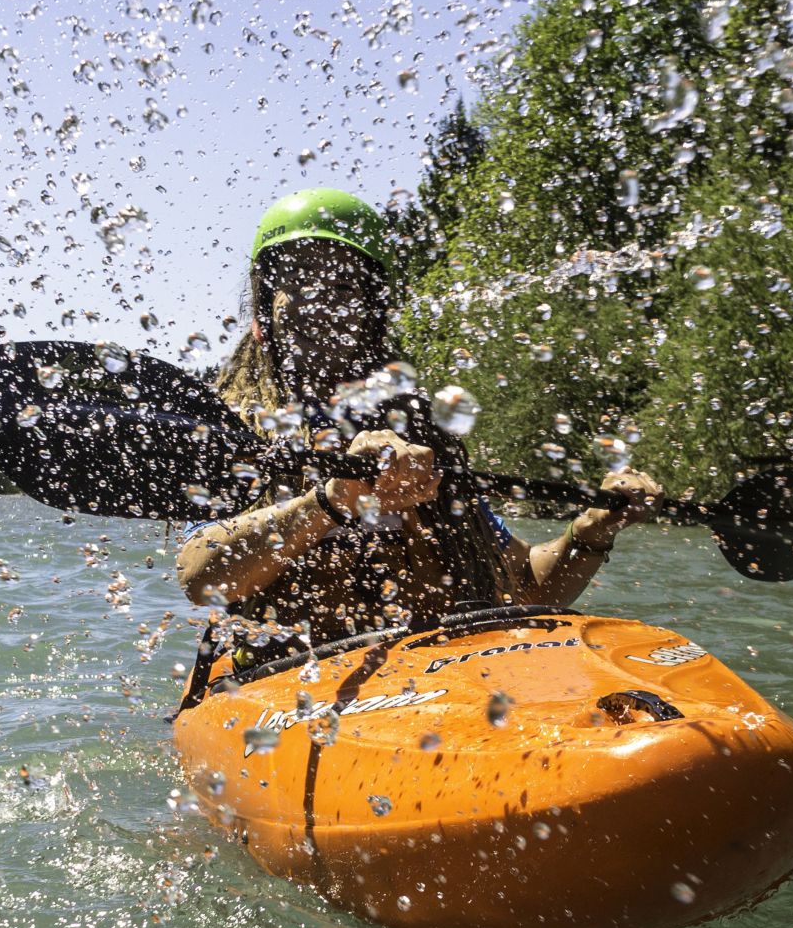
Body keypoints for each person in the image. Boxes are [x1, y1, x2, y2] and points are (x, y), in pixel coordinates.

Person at [176, 188, 662, 665]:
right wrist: (333, 499)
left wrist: (591, 532)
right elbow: (200, 577)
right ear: (263, 316)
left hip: (426, 683)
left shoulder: (423, 438)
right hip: (281, 681)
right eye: (301, 281)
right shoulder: (237, 431)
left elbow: (527, 586)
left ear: (374, 313)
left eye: (344, 287)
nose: (323, 303)